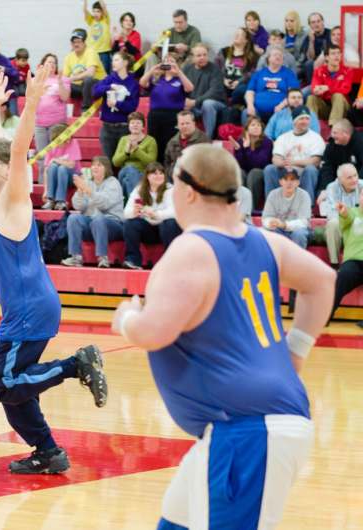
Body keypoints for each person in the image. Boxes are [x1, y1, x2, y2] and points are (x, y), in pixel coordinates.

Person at [110, 143, 334, 530]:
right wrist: (295, 352)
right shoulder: (264, 241)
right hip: (243, 429)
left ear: (188, 191)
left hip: (247, 432)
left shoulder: (191, 249)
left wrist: (127, 318)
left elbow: (153, 332)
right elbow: (322, 280)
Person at [0, 68, 107, 474]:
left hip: (28, 309)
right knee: (15, 391)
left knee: (7, 384)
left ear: (5, 170)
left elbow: (13, 153)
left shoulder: (13, 199)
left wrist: (30, 104)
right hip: (28, 308)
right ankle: (48, 452)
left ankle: (76, 365)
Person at [61, 156, 123, 268]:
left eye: (99, 165)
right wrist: (80, 192)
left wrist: (88, 191)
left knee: (98, 220)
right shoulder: (88, 183)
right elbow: (78, 206)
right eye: (93, 165)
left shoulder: (113, 183)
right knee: (73, 218)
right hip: (91, 222)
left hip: (112, 224)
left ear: (106, 168)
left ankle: (102, 257)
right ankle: (76, 257)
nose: (95, 167)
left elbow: (104, 204)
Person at [122, 161, 180, 269]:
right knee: (130, 223)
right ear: (148, 176)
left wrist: (156, 214)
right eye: (155, 173)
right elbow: (125, 213)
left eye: (161, 173)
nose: (159, 176)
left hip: (166, 230)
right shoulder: (139, 190)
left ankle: (170, 262)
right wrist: (134, 212)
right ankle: (133, 260)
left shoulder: (170, 189)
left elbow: (175, 212)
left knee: (170, 223)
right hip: (149, 230)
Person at [263, 106, 324, 203]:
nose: (305, 121)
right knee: (269, 169)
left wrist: (294, 162)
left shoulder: (316, 138)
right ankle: (272, 203)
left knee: (311, 169)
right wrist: (283, 163)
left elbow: (315, 161)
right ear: (294, 121)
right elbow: (275, 159)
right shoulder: (283, 137)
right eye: (301, 118)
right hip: (285, 173)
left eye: (307, 118)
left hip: (304, 174)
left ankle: (307, 204)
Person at [140, 55, 194, 164]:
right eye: (166, 61)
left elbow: (190, 88)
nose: (169, 63)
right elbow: (142, 83)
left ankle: (170, 165)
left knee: (171, 142)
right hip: (155, 115)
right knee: (154, 142)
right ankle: (156, 167)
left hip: (173, 116)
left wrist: (178, 72)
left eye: (171, 61)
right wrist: (152, 70)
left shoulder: (179, 80)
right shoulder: (156, 80)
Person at [92, 51, 139, 161]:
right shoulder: (109, 79)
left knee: (122, 161)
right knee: (107, 162)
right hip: (107, 127)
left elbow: (132, 107)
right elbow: (95, 92)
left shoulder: (133, 83)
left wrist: (116, 104)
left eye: (116, 60)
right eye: (112, 60)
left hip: (124, 128)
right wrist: (110, 87)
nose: (113, 62)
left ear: (125, 63)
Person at [34, 54, 70, 180]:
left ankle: (54, 183)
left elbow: (65, 97)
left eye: (54, 62)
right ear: (43, 65)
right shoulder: (36, 80)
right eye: (49, 62)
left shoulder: (64, 79)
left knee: (57, 156)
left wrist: (59, 82)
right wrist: (40, 89)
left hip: (57, 123)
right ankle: (43, 183)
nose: (52, 65)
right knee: (41, 156)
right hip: (39, 124)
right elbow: (31, 100)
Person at [330, 186, 363, 321]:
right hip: (354, 261)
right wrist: (343, 213)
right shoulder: (352, 212)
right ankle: (324, 315)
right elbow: (346, 217)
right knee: (342, 276)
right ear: (359, 197)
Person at [320, 163, 362, 267]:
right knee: (333, 223)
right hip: (342, 221)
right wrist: (345, 218)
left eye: (355, 175)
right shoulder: (332, 187)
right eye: (349, 177)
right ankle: (334, 264)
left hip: (359, 221)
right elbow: (331, 213)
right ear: (340, 179)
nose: (354, 180)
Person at [244, 47, 299, 123]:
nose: (278, 57)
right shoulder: (259, 73)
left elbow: (293, 93)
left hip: (281, 109)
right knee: (245, 112)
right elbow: (249, 92)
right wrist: (250, 105)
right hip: (257, 109)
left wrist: (281, 105)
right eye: (275, 55)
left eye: (280, 56)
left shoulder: (288, 73)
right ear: (268, 59)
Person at [182, 44, 225, 140]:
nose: (202, 58)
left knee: (207, 104)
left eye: (205, 55)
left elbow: (214, 91)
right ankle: (183, 139)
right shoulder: (187, 69)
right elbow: (180, 87)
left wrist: (195, 102)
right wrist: (184, 101)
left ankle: (207, 138)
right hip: (193, 105)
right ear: (192, 57)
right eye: (199, 55)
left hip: (216, 103)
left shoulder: (214, 69)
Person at [262, 168, 312, 249]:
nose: (289, 183)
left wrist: (284, 225)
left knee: (299, 234)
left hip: (298, 230)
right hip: (279, 229)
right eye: (285, 179)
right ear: (280, 182)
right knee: (266, 231)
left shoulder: (304, 195)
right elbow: (265, 218)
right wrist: (270, 222)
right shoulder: (273, 194)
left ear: (298, 182)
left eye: (292, 179)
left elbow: (304, 222)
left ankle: (297, 257)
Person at [230, 115, 273, 210]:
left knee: (254, 173)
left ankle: (249, 209)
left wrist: (247, 149)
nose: (256, 127)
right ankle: (238, 207)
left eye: (258, 125)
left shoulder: (267, 142)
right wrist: (239, 150)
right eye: (253, 125)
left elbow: (260, 163)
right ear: (247, 129)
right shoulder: (240, 142)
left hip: (261, 172)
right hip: (247, 172)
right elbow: (239, 165)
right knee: (239, 172)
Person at [112, 111, 157, 198]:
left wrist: (137, 150)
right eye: (132, 123)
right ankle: (137, 200)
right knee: (130, 169)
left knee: (126, 181)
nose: (135, 125)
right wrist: (126, 153)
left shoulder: (150, 140)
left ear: (143, 126)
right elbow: (115, 162)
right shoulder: (123, 140)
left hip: (142, 174)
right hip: (124, 171)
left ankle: (130, 202)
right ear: (129, 126)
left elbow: (151, 162)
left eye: (138, 123)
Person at [307, 44, 352, 126]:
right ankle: (311, 127)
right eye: (333, 53)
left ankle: (333, 126)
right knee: (311, 98)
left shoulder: (347, 71)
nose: (337, 56)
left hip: (342, 108)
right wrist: (317, 91)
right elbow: (315, 88)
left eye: (338, 53)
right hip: (325, 107)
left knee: (338, 95)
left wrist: (328, 88)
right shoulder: (319, 71)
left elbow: (345, 90)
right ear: (327, 57)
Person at [41, 123, 82, 210]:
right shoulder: (51, 147)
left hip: (73, 177)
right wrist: (45, 190)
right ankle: (50, 200)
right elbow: (46, 171)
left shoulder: (73, 142)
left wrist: (56, 160)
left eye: (69, 137)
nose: (68, 141)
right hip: (56, 176)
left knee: (62, 168)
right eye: (65, 139)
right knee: (53, 167)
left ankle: (61, 201)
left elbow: (71, 165)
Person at [63, 28, 105, 112]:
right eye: (74, 42)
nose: (76, 44)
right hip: (80, 88)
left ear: (84, 42)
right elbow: (65, 77)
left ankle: (86, 109)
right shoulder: (68, 57)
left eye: (78, 42)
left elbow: (90, 73)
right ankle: (62, 110)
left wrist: (73, 77)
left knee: (88, 80)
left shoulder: (91, 52)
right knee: (62, 84)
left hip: (96, 86)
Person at [318, 120, 363, 192]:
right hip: (339, 182)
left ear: (345, 133)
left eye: (335, 133)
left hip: (358, 183)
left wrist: (356, 184)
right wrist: (326, 188)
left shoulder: (360, 142)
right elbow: (327, 167)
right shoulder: (332, 144)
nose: (332, 135)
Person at [217, 28, 259, 106]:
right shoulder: (224, 51)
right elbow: (216, 68)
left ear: (246, 40)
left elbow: (252, 73)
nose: (236, 35)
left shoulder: (252, 56)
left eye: (240, 35)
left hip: (241, 85)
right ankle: (228, 106)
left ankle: (231, 105)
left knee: (242, 89)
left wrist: (238, 82)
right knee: (216, 87)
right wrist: (224, 80)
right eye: (236, 33)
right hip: (225, 83)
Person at [163, 111, 209, 177]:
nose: (185, 126)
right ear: (178, 125)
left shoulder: (204, 140)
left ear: (194, 123)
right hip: (175, 178)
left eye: (187, 123)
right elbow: (167, 162)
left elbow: (207, 164)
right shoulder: (172, 142)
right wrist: (171, 174)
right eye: (182, 124)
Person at [299, 12, 332, 84]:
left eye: (318, 21)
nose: (316, 24)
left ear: (322, 22)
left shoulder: (331, 34)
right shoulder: (309, 37)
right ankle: (312, 85)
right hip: (312, 65)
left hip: (327, 62)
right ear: (310, 25)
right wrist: (311, 41)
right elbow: (310, 57)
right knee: (308, 64)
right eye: (313, 22)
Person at [83, 0, 112, 73]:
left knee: (105, 72)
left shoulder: (105, 20)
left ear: (102, 13)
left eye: (98, 11)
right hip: (92, 51)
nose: (95, 14)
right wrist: (85, 2)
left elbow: (104, 7)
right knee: (92, 72)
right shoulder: (91, 20)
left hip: (104, 52)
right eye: (94, 11)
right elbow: (85, 10)